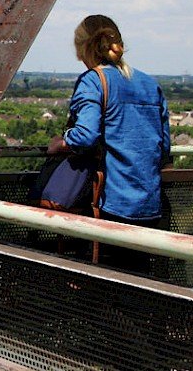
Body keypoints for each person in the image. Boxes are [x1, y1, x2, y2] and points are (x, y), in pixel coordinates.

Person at [47, 14, 170, 274]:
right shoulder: (150, 84)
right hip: (150, 204)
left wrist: (60, 143)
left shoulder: (93, 81)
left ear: (82, 49)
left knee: (102, 283)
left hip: (109, 203)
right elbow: (164, 148)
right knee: (140, 283)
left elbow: (85, 136)